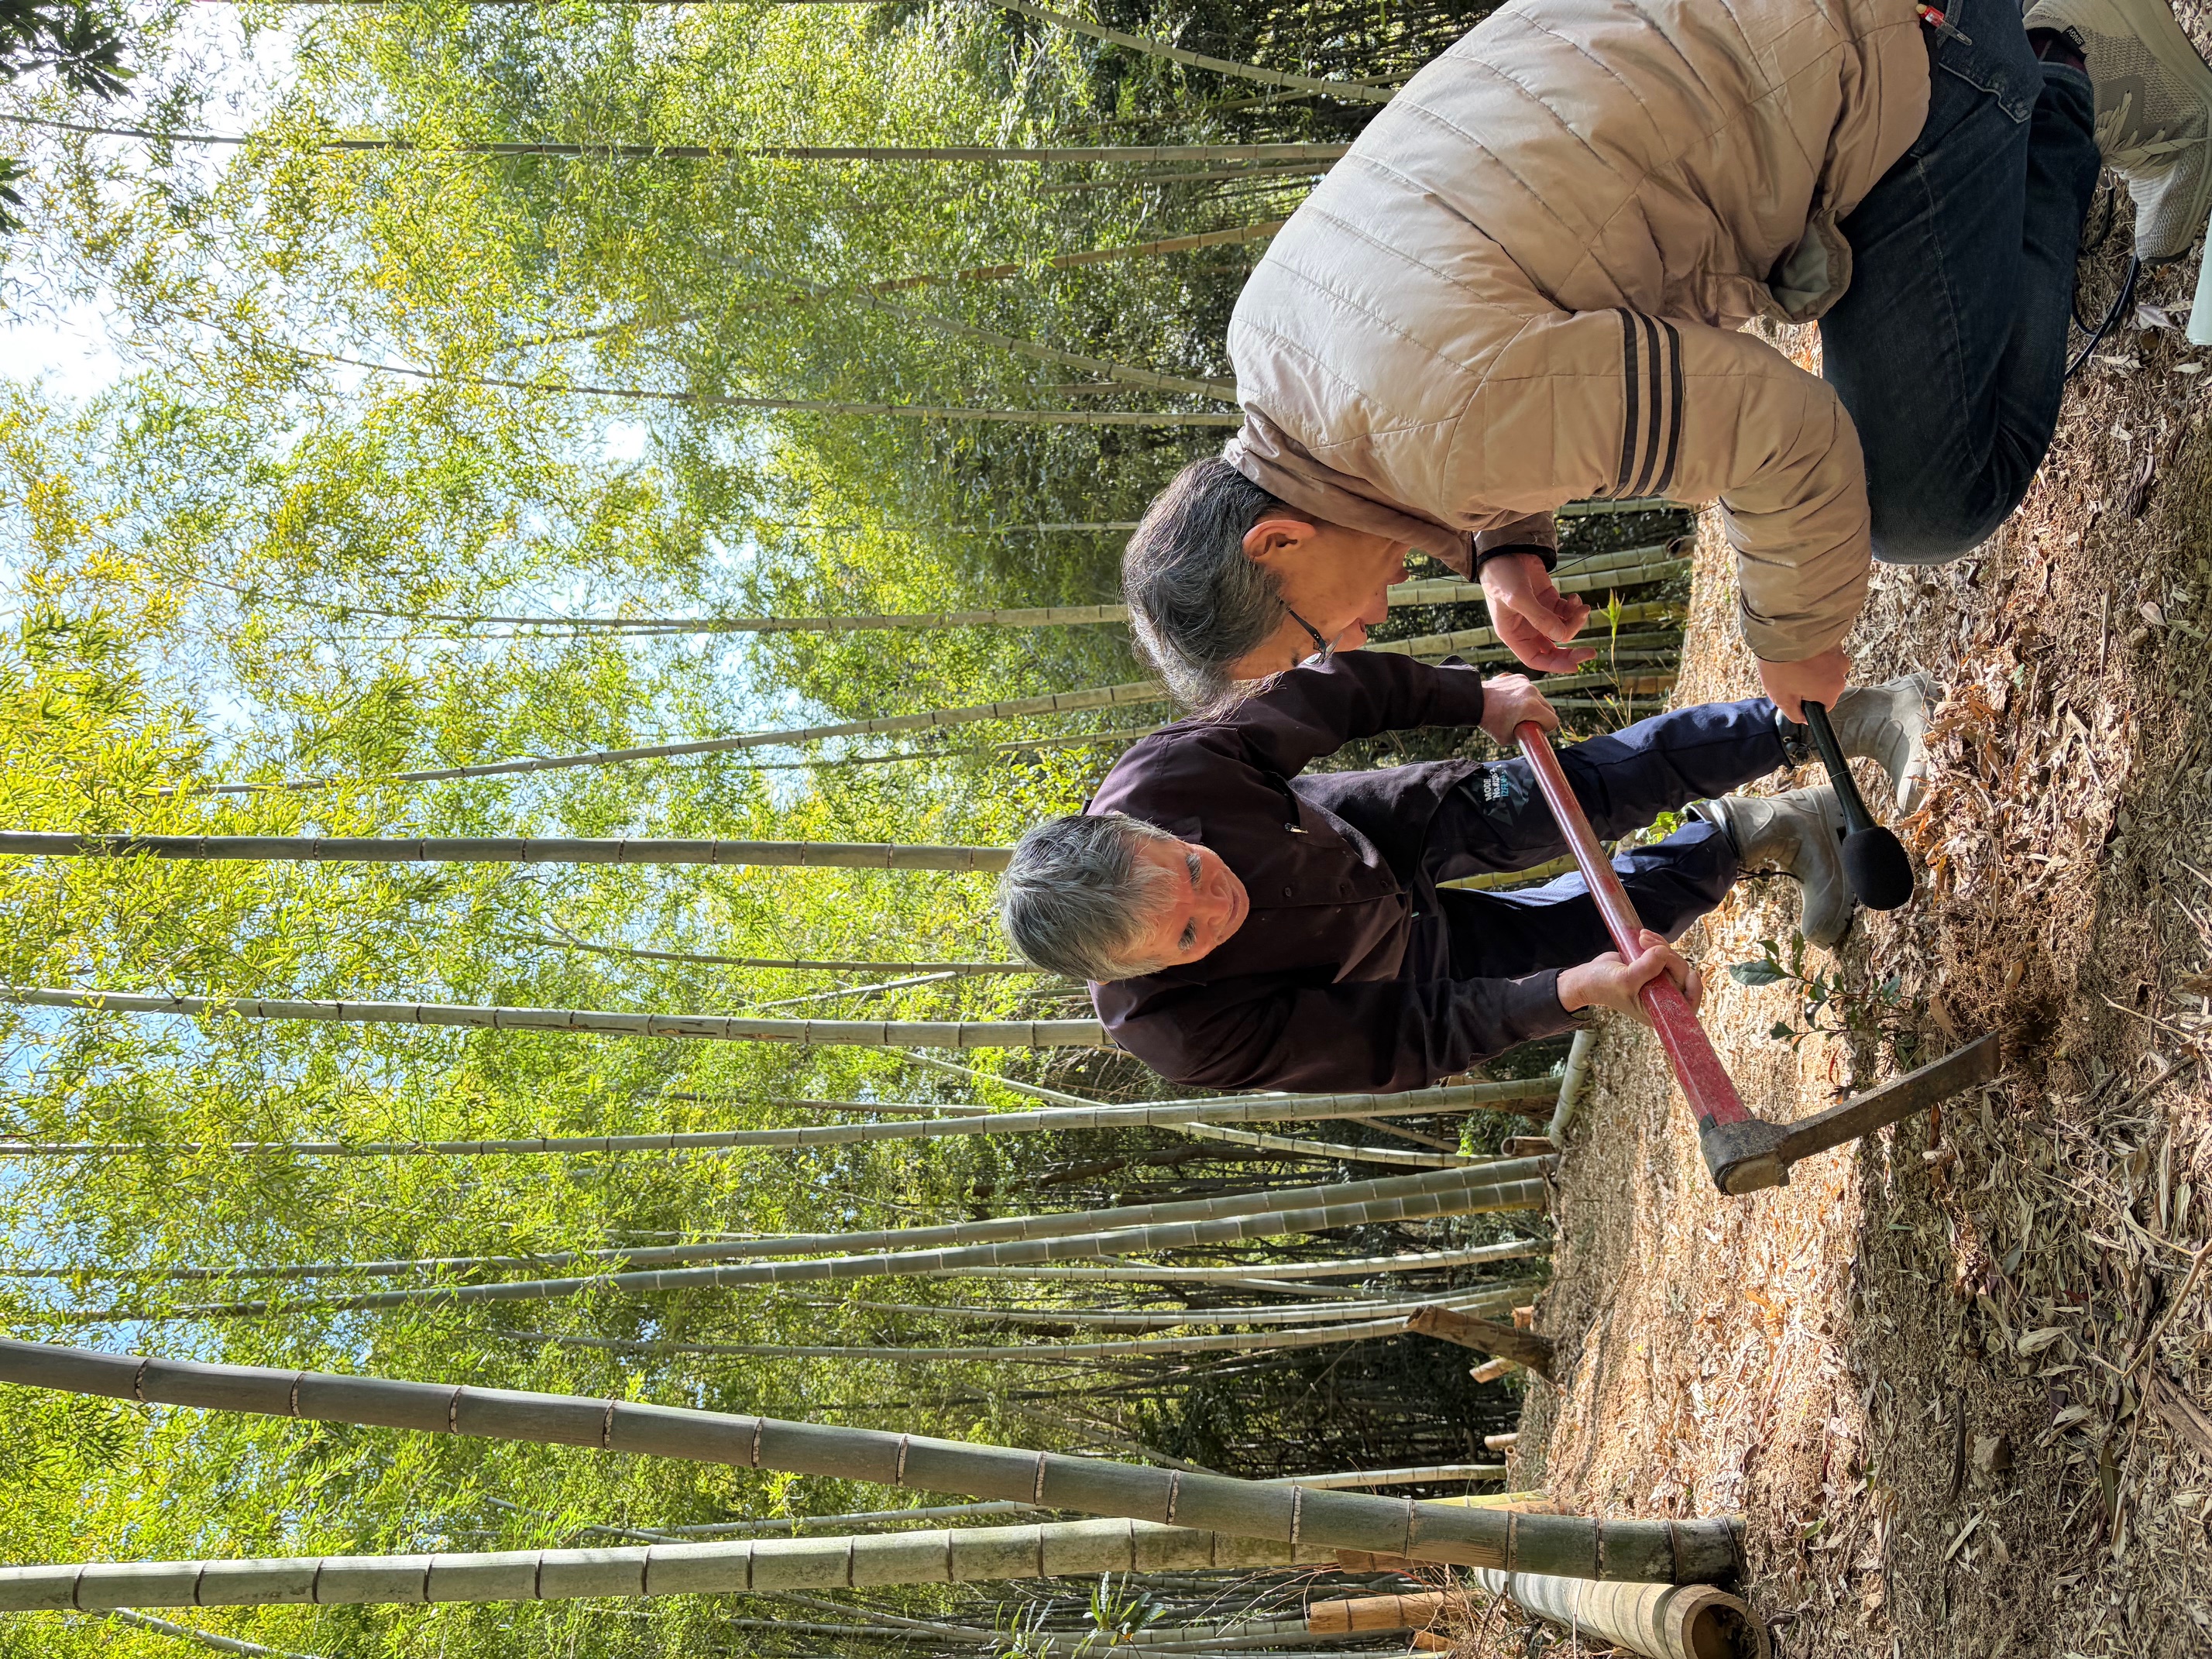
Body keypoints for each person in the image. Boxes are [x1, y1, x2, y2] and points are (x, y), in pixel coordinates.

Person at [1119, 0, 2212, 716]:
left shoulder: (1441, 430)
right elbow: (1472, 307)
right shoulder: (1271, 343)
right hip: (1739, 31)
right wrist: (1505, 543)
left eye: (1314, 641)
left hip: (1883, 40)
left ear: (1275, 538)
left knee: (1923, 503)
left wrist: (1795, 644)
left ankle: (2048, 71)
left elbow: (1781, 438)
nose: (1355, 640)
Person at [998, 654, 1934, 1094]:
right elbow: (1398, 1041)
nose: (1220, 899)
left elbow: (1332, 695)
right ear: (1135, 972)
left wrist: (1473, 697)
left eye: (1196, 866)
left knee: (1583, 792)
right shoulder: (1180, 1034)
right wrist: (1563, 997)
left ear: (1139, 826)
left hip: (1369, 829)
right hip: (1381, 967)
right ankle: (1765, 830)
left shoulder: (1165, 776)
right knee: (1588, 937)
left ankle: (1846, 717)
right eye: (1193, 934)